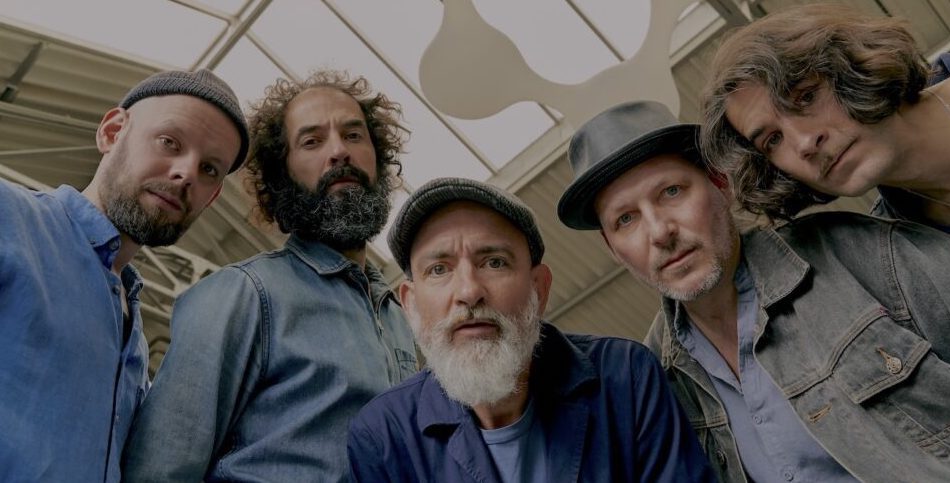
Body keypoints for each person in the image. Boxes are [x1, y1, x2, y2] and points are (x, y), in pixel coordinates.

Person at [557, 100, 950, 482]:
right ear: (614, 249)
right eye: (626, 219)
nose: (659, 232)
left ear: (721, 185)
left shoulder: (853, 252)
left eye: (671, 192)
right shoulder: (654, 378)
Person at [122, 69, 418, 482]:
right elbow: (158, 470)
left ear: (378, 156)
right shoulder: (243, 294)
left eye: (353, 135)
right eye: (312, 141)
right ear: (282, 175)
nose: (339, 152)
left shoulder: (399, 315)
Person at [346, 177, 714, 482]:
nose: (469, 291)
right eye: (439, 269)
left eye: (494, 262)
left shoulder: (626, 376)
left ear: (539, 289)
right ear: (410, 304)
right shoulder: (382, 437)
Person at [0, 68, 247, 482]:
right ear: (112, 132)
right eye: (169, 142)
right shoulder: (9, 218)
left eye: (209, 169)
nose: (187, 173)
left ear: (215, 195)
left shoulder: (133, 338)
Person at [700, 4, 950, 266]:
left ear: (852, 68)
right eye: (773, 140)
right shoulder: (901, 257)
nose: (805, 143)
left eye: (806, 97)